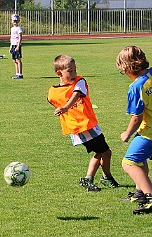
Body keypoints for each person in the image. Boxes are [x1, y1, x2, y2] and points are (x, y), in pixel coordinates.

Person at [116, 46, 152, 214]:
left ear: (127, 67)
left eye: (122, 70)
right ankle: (139, 193)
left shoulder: (136, 87)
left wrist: (126, 134)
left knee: (129, 163)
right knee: (139, 158)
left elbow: (136, 118)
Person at [47, 55, 119, 191]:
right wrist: (64, 108)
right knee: (104, 152)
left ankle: (101, 177)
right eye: (70, 71)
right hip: (81, 126)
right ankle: (96, 178)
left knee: (103, 152)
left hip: (89, 125)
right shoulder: (53, 92)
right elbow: (53, 101)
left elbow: (77, 93)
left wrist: (66, 107)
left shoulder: (80, 81)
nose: (74, 74)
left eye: (75, 70)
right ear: (59, 73)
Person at [9, 14, 23, 79]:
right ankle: (17, 73)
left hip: (17, 45)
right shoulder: (12, 29)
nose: (15, 22)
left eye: (16, 21)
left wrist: (18, 46)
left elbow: (20, 37)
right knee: (14, 60)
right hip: (13, 45)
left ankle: (20, 73)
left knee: (18, 59)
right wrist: (10, 47)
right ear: (12, 21)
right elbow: (11, 38)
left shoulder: (19, 28)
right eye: (14, 20)